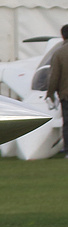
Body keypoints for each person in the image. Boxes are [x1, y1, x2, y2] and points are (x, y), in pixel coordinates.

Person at [48, 24, 68, 155]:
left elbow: (54, 76)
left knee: (67, 123)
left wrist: (50, 93)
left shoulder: (59, 53)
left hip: (66, 95)